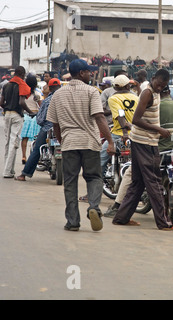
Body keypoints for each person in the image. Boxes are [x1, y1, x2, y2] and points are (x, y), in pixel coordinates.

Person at [46, 59, 115, 232]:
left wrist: (62, 141)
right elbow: (99, 117)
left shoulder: (58, 94)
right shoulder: (92, 91)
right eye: (88, 72)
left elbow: (54, 124)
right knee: (94, 177)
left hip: (69, 142)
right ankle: (94, 207)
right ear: (81, 73)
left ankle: (73, 222)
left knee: (70, 182)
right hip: (89, 142)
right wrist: (110, 141)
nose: (90, 74)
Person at [104, 85, 173, 217]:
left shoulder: (156, 107)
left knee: (131, 173)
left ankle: (117, 205)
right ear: (170, 92)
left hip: (158, 148)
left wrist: (130, 127)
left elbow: (143, 125)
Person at [112, 69, 173, 231]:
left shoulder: (154, 92)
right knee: (154, 182)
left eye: (163, 86)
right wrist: (159, 129)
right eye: (158, 84)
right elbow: (136, 120)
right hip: (143, 143)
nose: (160, 88)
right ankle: (163, 222)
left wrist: (157, 131)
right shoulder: (147, 92)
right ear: (153, 79)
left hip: (146, 141)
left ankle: (121, 218)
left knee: (138, 182)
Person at [15, 78, 61, 181]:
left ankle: (24, 174)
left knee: (37, 149)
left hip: (48, 128)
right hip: (64, 129)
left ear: (49, 88)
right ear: (60, 86)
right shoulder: (67, 98)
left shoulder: (47, 100)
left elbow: (40, 119)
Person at [0, 66, 36, 178]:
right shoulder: (22, 85)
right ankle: (7, 171)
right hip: (16, 115)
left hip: (6, 115)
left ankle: (10, 170)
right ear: (22, 74)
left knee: (7, 142)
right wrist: (30, 112)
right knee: (14, 143)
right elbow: (21, 102)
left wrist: (7, 107)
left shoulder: (6, 85)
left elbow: (1, 102)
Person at [100, 74, 138, 175]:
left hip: (118, 134)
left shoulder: (113, 98)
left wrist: (124, 133)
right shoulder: (136, 97)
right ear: (127, 86)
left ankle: (98, 183)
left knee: (101, 159)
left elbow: (120, 114)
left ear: (115, 87)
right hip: (135, 134)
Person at [20, 75, 42, 164]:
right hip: (35, 117)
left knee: (24, 138)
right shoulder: (37, 94)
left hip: (25, 116)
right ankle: (32, 156)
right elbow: (41, 106)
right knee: (35, 139)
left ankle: (23, 156)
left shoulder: (24, 94)